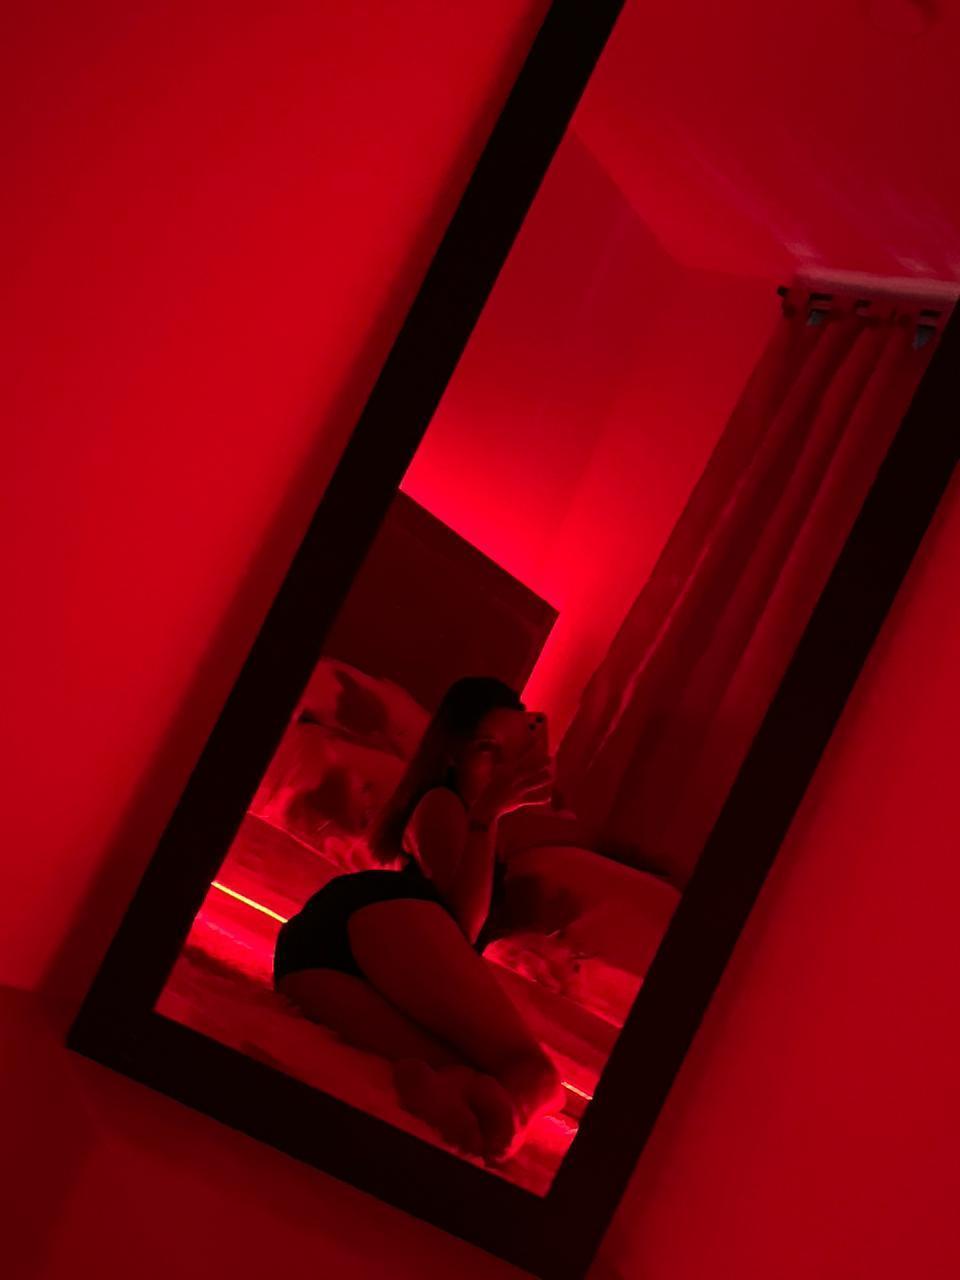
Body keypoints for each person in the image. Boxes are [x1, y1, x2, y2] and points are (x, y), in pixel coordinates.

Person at [273, 677, 563, 1163]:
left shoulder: (473, 820)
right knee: (537, 1076)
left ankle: (469, 1127)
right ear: (453, 753)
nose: (498, 766)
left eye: (508, 753)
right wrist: (487, 815)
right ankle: (490, 1133)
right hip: (368, 925)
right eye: (486, 748)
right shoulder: (442, 803)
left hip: (315, 965)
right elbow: (459, 929)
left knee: (470, 1077)